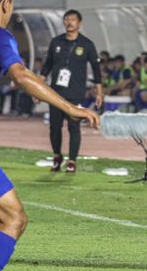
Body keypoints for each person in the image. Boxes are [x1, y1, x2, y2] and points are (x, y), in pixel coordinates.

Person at [0, 0, 99, 271]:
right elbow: (21, 75)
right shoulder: (1, 36)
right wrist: (71, 106)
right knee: (13, 217)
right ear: (6, 4)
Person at [40, 9, 102, 173]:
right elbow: (47, 65)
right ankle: (57, 156)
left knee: (74, 127)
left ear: (79, 23)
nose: (70, 22)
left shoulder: (87, 44)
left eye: (73, 19)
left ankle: (72, 160)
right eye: (67, 19)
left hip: (76, 92)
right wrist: (38, 86)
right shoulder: (56, 42)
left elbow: (96, 68)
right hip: (55, 93)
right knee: (54, 127)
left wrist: (99, 91)